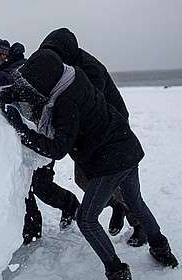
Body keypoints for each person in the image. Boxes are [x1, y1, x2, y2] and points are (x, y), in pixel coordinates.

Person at [0, 49, 177, 280]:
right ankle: (162, 250)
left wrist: (19, 127)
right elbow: (36, 92)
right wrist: (1, 96)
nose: (34, 87)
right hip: (126, 146)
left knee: (86, 219)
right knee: (135, 201)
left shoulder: (66, 102)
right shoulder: (70, 77)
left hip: (112, 160)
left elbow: (56, 150)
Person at [39, 28, 142, 244]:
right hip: (87, 134)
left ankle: (138, 224)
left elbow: (84, 103)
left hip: (111, 131)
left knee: (118, 181)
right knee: (83, 179)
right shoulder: (66, 66)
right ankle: (117, 206)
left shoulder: (88, 69)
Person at [0, 41, 79, 244]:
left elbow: (5, 81)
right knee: (23, 186)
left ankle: (70, 205)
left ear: (4, 55)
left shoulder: (20, 68)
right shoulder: (3, 69)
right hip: (23, 142)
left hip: (41, 139)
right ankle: (31, 229)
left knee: (41, 187)